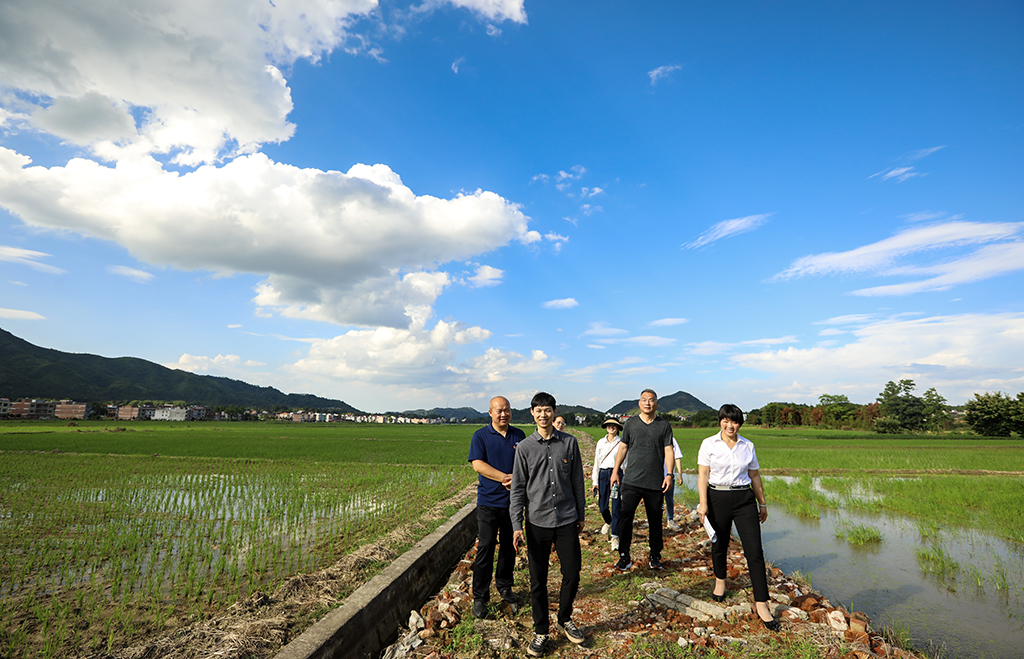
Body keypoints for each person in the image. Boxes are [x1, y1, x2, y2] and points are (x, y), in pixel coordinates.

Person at [510, 392, 587, 656]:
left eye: (548, 410)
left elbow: (578, 481)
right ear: (532, 413)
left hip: (566, 518)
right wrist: (516, 525)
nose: (543, 414)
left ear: (554, 412)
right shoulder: (524, 447)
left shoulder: (569, 443)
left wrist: (581, 515)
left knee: (573, 572)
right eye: (538, 410)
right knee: (537, 579)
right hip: (537, 521)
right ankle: (541, 630)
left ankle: (564, 618)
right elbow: (518, 489)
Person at [697, 404, 779, 631]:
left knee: (754, 550)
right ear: (720, 421)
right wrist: (703, 503)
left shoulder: (748, 445)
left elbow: (754, 475)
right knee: (719, 544)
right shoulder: (708, 444)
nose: (729, 425)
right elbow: (703, 475)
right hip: (717, 498)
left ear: (739, 424)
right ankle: (720, 582)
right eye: (725, 420)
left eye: (733, 421)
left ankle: (762, 603)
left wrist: (762, 503)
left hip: (744, 499)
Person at [467, 396, 526, 618]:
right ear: (490, 413)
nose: (504, 414)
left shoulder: (519, 435)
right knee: (486, 547)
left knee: (510, 547)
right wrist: (505, 478)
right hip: (489, 503)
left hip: (513, 503)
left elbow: (526, 462)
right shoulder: (480, 436)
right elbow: (478, 465)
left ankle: (504, 586)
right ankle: (480, 596)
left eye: (507, 410)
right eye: (499, 410)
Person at [610, 389, 674, 571]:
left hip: (655, 482)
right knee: (625, 518)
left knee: (655, 520)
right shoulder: (630, 424)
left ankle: (655, 556)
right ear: (639, 403)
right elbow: (623, 448)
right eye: (644, 400)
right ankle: (624, 556)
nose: (648, 403)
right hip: (631, 480)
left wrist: (669, 474)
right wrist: (615, 471)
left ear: (657, 404)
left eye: (651, 400)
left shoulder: (663, 426)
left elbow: (669, 450)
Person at [591, 417, 626, 551]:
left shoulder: (622, 442)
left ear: (618, 428)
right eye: (609, 425)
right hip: (603, 474)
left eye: (614, 426)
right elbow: (597, 463)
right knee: (602, 506)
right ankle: (609, 521)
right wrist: (595, 481)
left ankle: (615, 536)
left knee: (616, 505)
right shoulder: (601, 442)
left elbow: (626, 462)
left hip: (617, 474)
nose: (611, 427)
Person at [664, 436, 683, 530]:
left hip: (669, 476)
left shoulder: (671, 440)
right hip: (655, 477)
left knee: (669, 499)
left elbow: (677, 457)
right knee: (655, 500)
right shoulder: (652, 436)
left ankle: (670, 519)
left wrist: (680, 474)